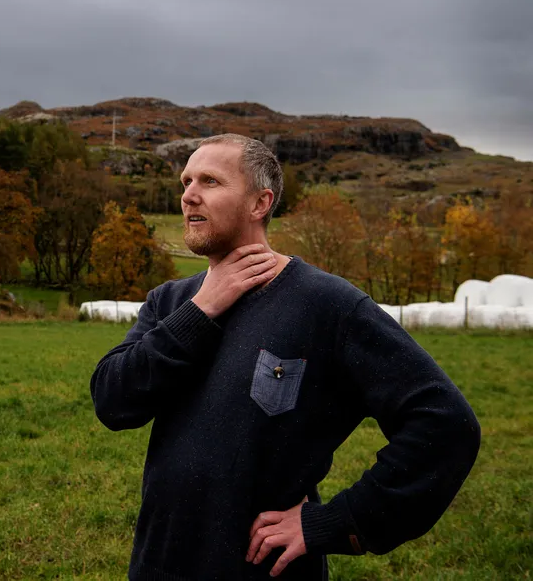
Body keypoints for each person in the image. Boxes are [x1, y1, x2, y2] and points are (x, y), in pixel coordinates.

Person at [90, 134, 480, 581]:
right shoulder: (171, 301)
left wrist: (340, 522)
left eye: (210, 181)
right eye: (186, 181)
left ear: (260, 203)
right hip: (157, 564)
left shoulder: (327, 304)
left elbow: (446, 424)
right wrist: (201, 310)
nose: (188, 195)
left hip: (264, 570)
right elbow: (113, 401)